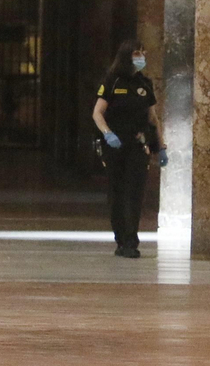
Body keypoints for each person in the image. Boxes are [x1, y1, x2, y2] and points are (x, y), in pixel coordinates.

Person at [92, 39, 166, 258]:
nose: (141, 57)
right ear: (126, 56)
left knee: (135, 193)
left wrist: (160, 147)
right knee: (117, 193)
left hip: (137, 145)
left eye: (143, 53)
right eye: (136, 53)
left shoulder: (145, 84)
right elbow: (97, 112)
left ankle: (131, 242)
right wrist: (107, 133)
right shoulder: (112, 81)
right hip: (114, 145)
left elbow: (152, 118)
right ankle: (120, 238)